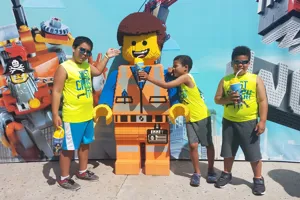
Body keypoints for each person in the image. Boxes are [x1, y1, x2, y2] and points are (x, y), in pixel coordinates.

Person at [52, 36, 120, 190]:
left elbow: (98, 71)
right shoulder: (64, 67)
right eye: (82, 49)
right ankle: (64, 178)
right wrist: (55, 114)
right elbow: (56, 92)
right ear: (74, 48)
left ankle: (82, 171)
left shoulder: (86, 66)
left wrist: (107, 57)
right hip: (72, 116)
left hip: (87, 115)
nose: (84, 54)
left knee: (85, 144)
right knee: (68, 149)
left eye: (88, 52)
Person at [138, 55, 217, 186]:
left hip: (202, 116)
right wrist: (172, 72)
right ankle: (196, 173)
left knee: (208, 144)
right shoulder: (181, 77)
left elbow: (167, 85)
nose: (173, 68)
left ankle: (210, 170)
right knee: (193, 145)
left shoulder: (186, 77)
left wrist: (148, 77)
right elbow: (172, 79)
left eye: (176, 66)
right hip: (190, 117)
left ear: (186, 68)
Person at [214, 46, 268, 195]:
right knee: (228, 151)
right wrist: (228, 98)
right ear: (232, 63)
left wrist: (262, 121)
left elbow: (263, 101)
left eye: (244, 62)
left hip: (249, 122)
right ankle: (226, 174)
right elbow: (217, 99)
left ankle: (258, 179)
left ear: (249, 63)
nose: (240, 65)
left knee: (253, 154)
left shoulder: (255, 79)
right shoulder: (225, 80)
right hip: (229, 121)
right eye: (237, 61)